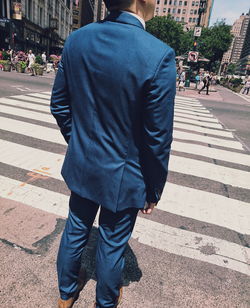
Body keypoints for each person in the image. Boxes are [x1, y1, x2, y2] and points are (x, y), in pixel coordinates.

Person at [51, 0, 176, 307]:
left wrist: (80, 143)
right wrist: (154, 188)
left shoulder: (78, 39)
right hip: (125, 172)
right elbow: (157, 138)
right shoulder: (158, 54)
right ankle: (105, 302)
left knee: (76, 227)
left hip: (83, 163)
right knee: (112, 242)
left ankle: (66, 295)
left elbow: (60, 105)